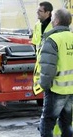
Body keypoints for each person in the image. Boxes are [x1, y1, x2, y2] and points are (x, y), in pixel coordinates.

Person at [33, 8, 73, 137]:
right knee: (66, 123)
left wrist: (44, 85)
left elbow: (48, 67)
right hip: (71, 89)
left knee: (47, 123)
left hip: (56, 89)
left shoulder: (52, 39)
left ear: (56, 21)